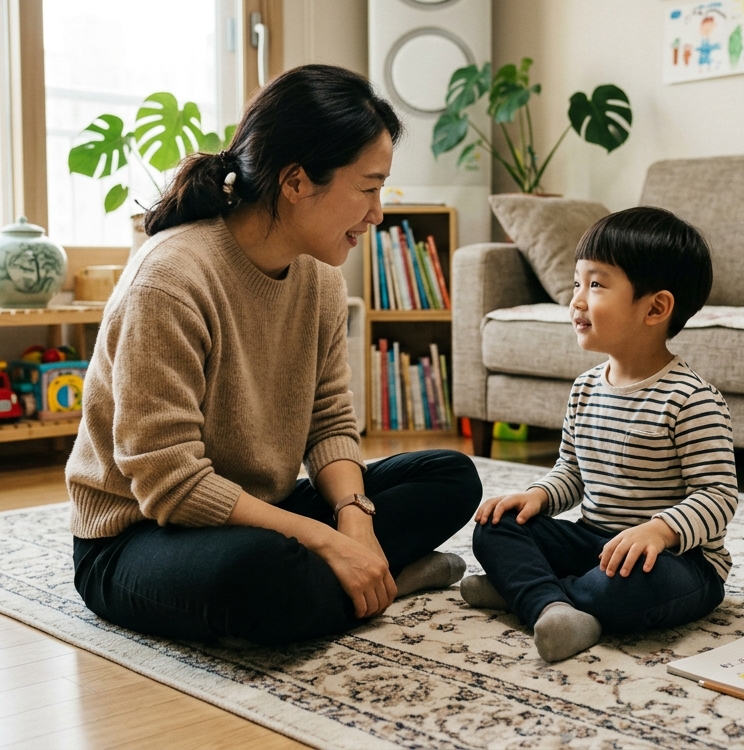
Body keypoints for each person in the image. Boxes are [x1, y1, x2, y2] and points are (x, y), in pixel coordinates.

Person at [67, 64, 482, 646]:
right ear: (295, 182)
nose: (378, 213)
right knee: (263, 579)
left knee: (451, 476)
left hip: (264, 508)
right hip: (139, 534)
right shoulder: (170, 281)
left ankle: (356, 574)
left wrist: (354, 521)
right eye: (367, 187)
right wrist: (325, 539)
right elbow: (170, 483)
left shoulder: (320, 277)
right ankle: (367, 579)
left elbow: (330, 419)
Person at [460, 207, 737, 663]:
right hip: (595, 544)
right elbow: (571, 471)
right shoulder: (586, 388)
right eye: (576, 283)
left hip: (678, 563)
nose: (577, 300)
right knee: (496, 527)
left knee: (627, 588)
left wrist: (660, 530)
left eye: (596, 284)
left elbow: (718, 495)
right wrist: (539, 498)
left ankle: (531, 594)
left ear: (656, 307)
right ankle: (553, 604)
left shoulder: (691, 399)